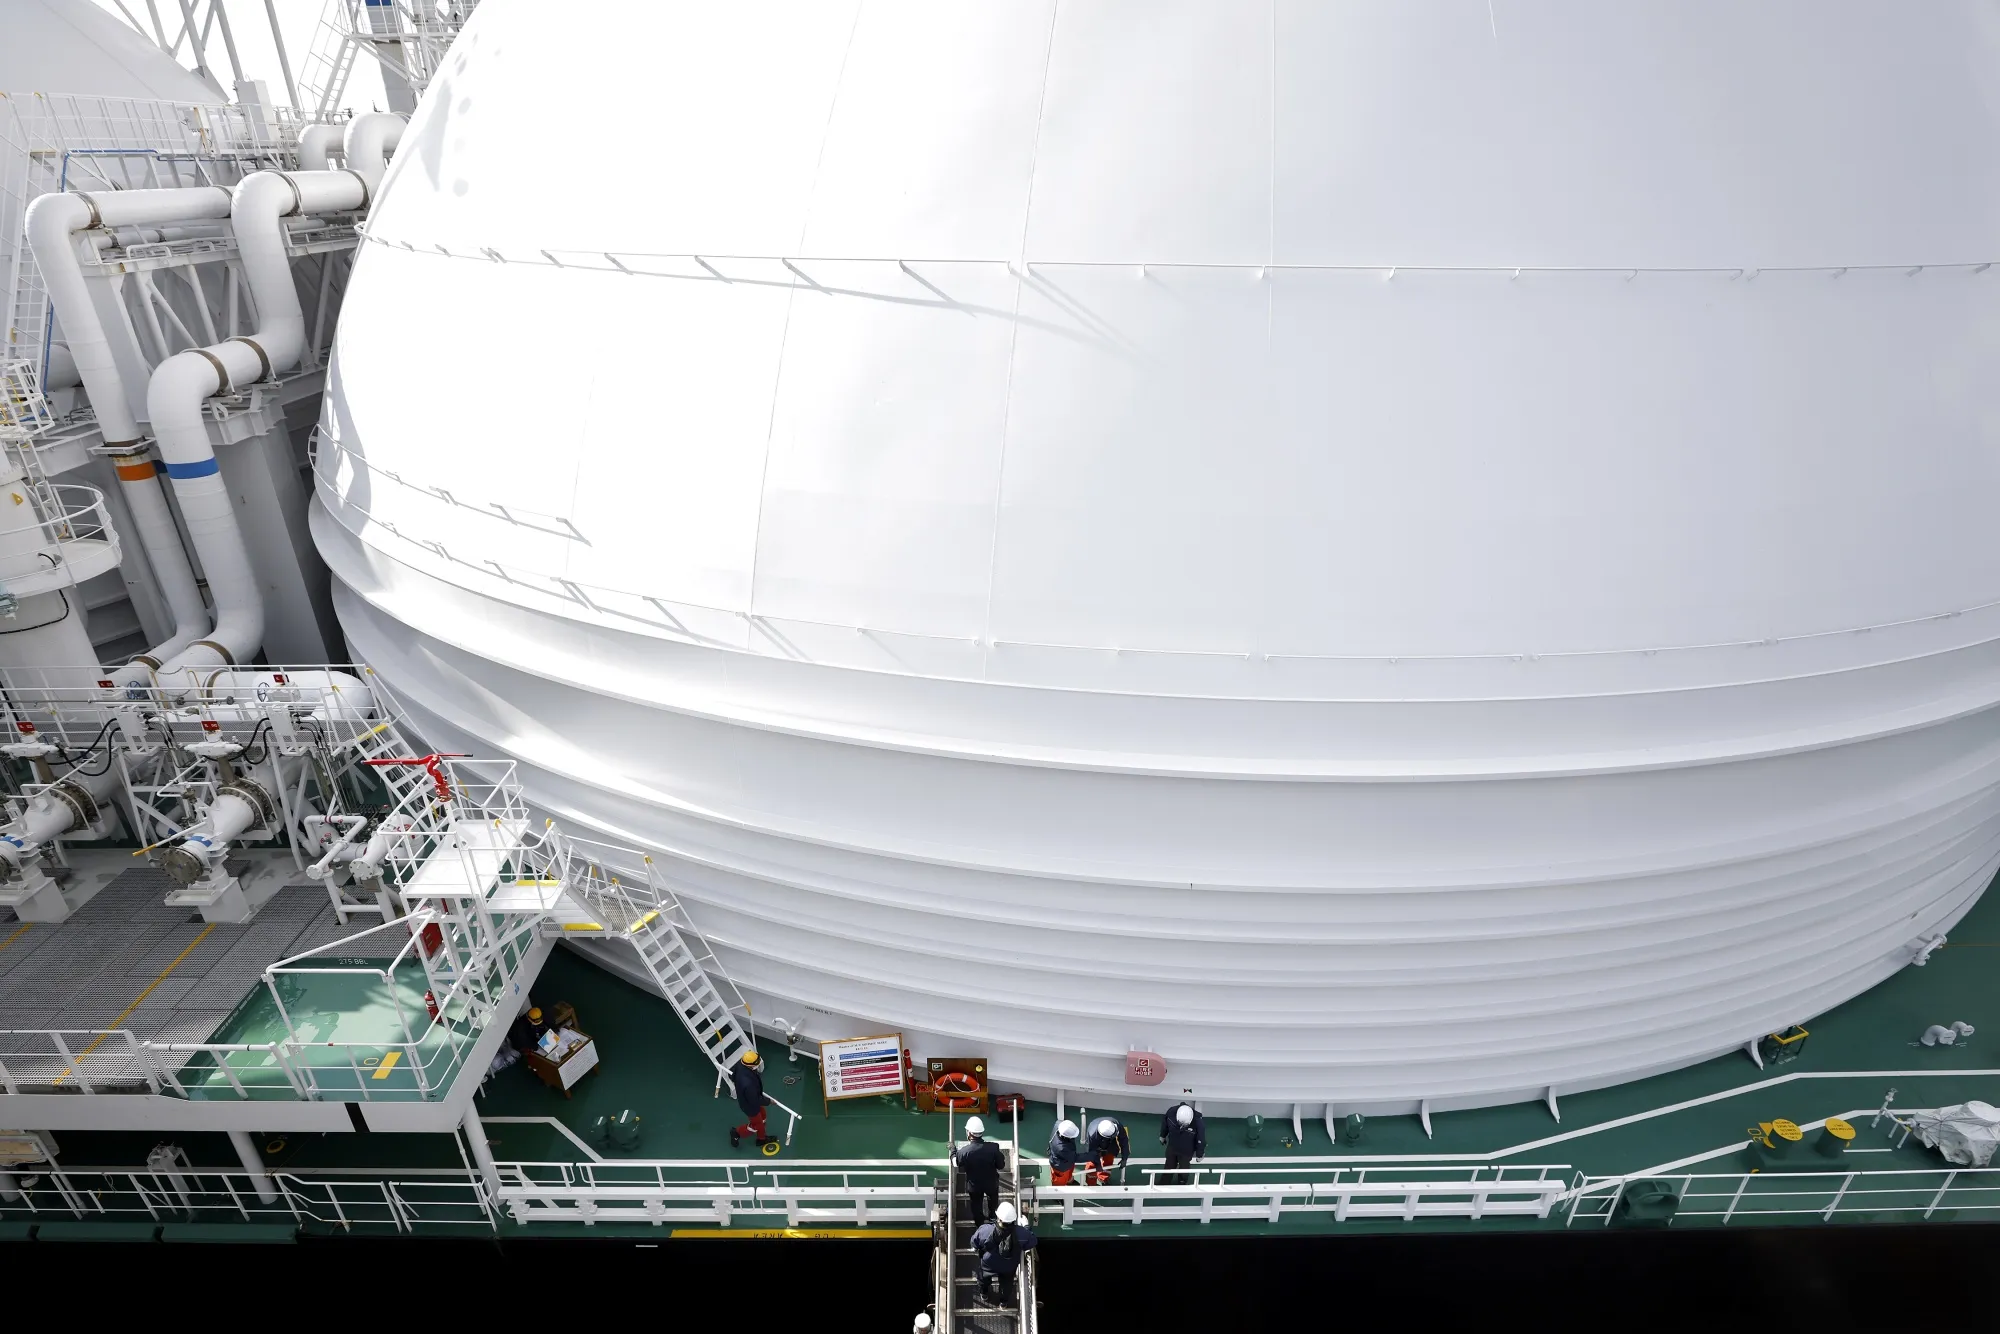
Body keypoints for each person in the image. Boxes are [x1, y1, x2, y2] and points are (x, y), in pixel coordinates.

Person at [970, 1200, 1037, 1305]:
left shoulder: (984, 1230)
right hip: (1009, 1265)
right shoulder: (1022, 1234)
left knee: (983, 1279)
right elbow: (1032, 1242)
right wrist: (1026, 1227)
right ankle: (1003, 1303)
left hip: (988, 1264)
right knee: (1006, 1284)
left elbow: (974, 1242)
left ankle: (984, 1294)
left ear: (998, 1217)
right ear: (1013, 1219)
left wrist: (976, 1248)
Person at [953, 1115, 1004, 1221]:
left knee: (976, 1205)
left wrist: (953, 1151)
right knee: (993, 1200)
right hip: (991, 1183)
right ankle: (993, 1217)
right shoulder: (994, 1147)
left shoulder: (964, 1152)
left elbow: (955, 1163)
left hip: (974, 1186)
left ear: (969, 1133)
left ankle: (979, 1222)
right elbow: (1001, 1165)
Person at [728, 1049, 773, 1148]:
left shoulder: (741, 1064)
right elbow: (755, 1100)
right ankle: (736, 1133)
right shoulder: (748, 1083)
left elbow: (733, 1076)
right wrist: (769, 1101)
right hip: (750, 1106)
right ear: (750, 1065)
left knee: (763, 1115)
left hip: (749, 1100)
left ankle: (761, 1138)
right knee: (756, 1126)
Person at [1159, 1101, 1205, 1184]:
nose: (1182, 1126)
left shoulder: (1198, 1121)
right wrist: (1162, 1135)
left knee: (1184, 1167)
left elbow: (1200, 1139)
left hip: (1187, 1150)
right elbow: (1165, 1124)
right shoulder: (1171, 1113)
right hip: (1172, 1146)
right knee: (1169, 1164)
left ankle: (1182, 1182)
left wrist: (1199, 1154)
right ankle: (1164, 1182)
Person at [1084, 1116, 1130, 1185]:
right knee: (1092, 1164)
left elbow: (1124, 1141)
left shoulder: (1117, 1125)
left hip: (1110, 1141)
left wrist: (1125, 1158)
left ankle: (1103, 1178)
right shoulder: (1092, 1135)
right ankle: (1091, 1182)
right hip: (1096, 1142)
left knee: (1109, 1158)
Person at [1047, 1118, 1081, 1185]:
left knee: (1069, 1171)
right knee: (1059, 1183)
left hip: (1064, 1162)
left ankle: (1069, 1180)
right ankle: (1058, 1191)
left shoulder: (1059, 1125)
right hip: (1060, 1167)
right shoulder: (1062, 1148)